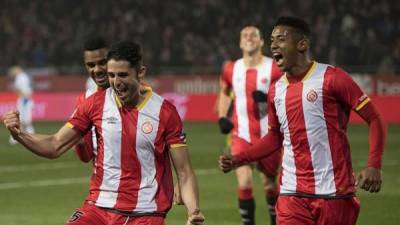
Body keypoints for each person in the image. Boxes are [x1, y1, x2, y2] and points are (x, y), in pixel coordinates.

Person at [3, 41, 205, 225]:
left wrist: (193, 211)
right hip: (98, 208)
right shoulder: (95, 104)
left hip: (145, 214)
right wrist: (19, 134)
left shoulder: (165, 112)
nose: (116, 82)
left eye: (123, 75)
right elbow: (55, 145)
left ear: (140, 72)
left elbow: (184, 172)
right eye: (112, 75)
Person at [219, 17, 386, 225]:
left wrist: (374, 164)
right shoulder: (276, 90)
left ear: (302, 44)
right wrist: (239, 159)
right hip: (291, 193)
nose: (273, 45)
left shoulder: (332, 78)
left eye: (281, 39)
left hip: (333, 192)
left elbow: (375, 119)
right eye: (271, 40)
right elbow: (274, 137)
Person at [217, 26, 282, 225]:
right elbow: (225, 92)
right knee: (244, 181)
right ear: (240, 42)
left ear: (262, 42)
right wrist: (222, 116)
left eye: (254, 35)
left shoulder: (274, 68)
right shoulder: (231, 68)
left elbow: (287, 93)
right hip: (241, 134)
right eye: (244, 35)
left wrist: (268, 98)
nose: (249, 38)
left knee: (269, 184)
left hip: (268, 135)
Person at [74, 36, 109, 163]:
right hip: (101, 182)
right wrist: (80, 144)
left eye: (102, 62)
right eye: (91, 65)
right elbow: (86, 157)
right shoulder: (85, 100)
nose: (97, 70)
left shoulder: (133, 95)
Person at [8, 66, 35, 145]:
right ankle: (29, 137)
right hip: (25, 99)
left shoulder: (20, 77)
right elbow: (27, 88)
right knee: (24, 120)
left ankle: (16, 138)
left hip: (24, 100)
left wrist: (25, 97)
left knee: (23, 120)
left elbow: (19, 89)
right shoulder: (24, 76)